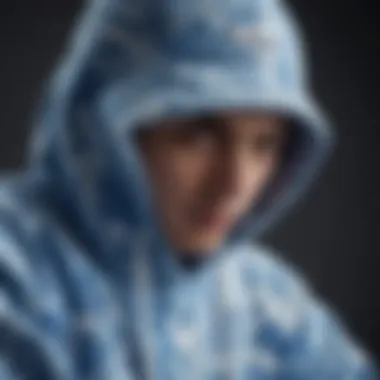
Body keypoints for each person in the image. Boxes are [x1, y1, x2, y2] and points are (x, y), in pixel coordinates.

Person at [0, 0, 377, 378]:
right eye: (199, 136)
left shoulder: (261, 303)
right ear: (101, 130)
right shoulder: (13, 271)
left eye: (265, 144)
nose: (236, 184)